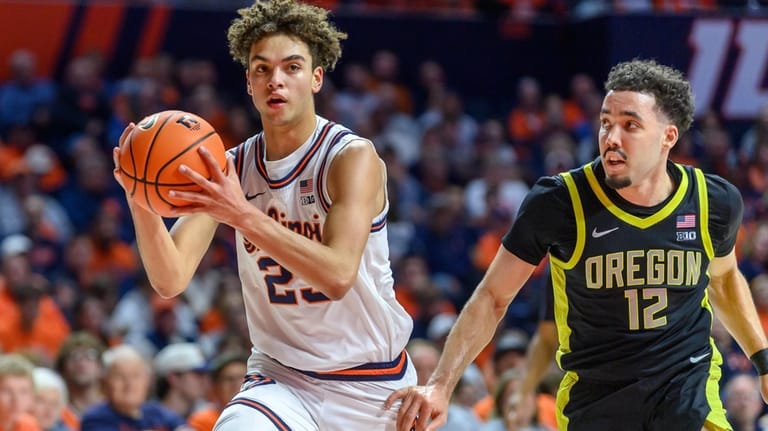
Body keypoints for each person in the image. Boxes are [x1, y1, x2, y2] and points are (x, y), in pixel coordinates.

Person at [386, 59, 768, 431]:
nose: (611, 139)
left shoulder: (712, 200)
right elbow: (492, 297)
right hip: (598, 402)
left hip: (687, 396)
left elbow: (723, 280)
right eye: (606, 123)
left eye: (630, 125)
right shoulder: (559, 201)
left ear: (668, 136)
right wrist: (441, 385)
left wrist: (763, 361)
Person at [111, 0, 415, 429]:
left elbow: (337, 276)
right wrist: (139, 196)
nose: (276, 80)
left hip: (371, 383)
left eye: (292, 67)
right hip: (280, 378)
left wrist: (241, 214)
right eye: (262, 69)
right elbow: (170, 279)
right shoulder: (230, 168)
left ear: (316, 78)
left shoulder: (350, 157)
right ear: (249, 82)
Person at [79, 344, 186, 430]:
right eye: (120, 376)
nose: (129, 384)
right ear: (104, 383)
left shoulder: (156, 412)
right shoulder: (95, 419)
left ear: (147, 381)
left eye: (136, 376)